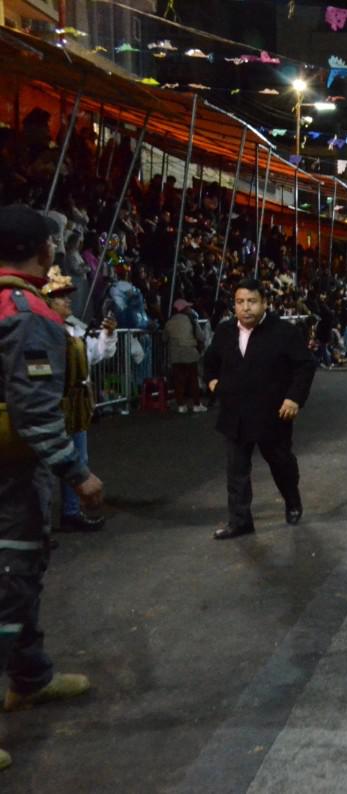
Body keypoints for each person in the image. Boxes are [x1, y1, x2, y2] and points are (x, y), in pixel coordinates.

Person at [0, 206, 105, 771]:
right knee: (10, 581)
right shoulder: (24, 312)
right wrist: (77, 473)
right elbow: (35, 410)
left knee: (19, 576)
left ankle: (30, 676)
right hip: (11, 473)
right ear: (43, 250)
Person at [203, 278, 315, 540]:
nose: (246, 308)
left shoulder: (284, 332)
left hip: (272, 414)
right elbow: (209, 361)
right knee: (236, 470)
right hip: (235, 413)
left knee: (281, 463)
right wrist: (212, 382)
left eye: (252, 301)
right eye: (240, 302)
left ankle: (292, 500)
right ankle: (240, 521)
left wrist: (294, 398)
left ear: (265, 303)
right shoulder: (225, 331)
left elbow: (305, 366)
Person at [41, 266, 118, 532]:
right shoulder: (41, 331)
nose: (68, 301)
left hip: (76, 405)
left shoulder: (73, 330)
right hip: (50, 406)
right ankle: (38, 525)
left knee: (77, 460)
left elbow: (95, 356)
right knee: (43, 469)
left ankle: (71, 512)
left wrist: (108, 335)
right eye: (61, 297)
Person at [164, 298, 205, 414]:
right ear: (183, 309)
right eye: (187, 307)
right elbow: (201, 336)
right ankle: (196, 404)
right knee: (193, 379)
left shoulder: (169, 322)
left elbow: (164, 338)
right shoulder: (192, 320)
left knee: (178, 380)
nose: (189, 309)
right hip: (190, 353)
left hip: (175, 355)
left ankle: (181, 405)